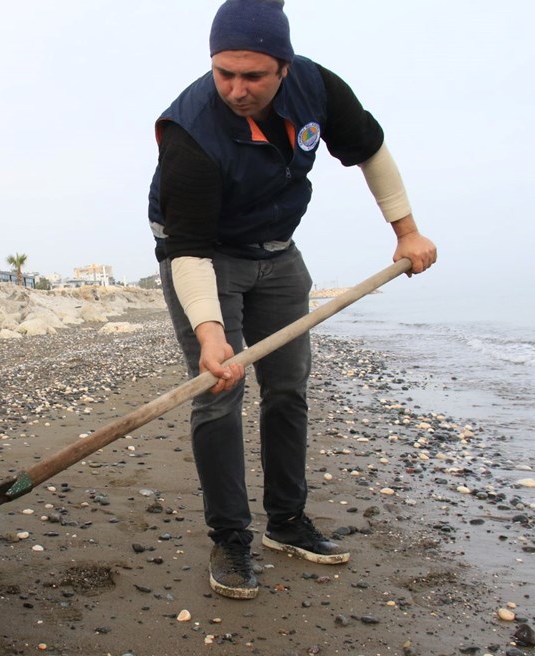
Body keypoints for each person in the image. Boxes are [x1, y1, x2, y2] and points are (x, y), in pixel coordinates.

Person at [147, 0, 436, 600]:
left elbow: (370, 151)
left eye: (252, 76)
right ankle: (231, 537)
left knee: (287, 386)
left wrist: (406, 231)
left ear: (284, 66)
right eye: (224, 72)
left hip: (278, 251)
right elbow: (190, 252)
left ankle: (287, 521)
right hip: (203, 256)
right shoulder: (191, 133)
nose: (236, 89)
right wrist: (210, 335)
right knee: (218, 394)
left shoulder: (317, 85)